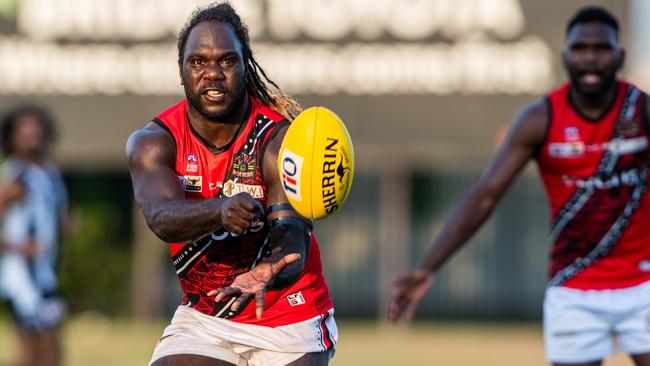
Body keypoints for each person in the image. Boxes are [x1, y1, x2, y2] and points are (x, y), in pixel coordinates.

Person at [388, 6, 650, 366]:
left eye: (601, 48)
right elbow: (486, 196)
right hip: (574, 289)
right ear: (565, 56)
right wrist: (429, 266)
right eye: (580, 47)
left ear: (619, 56)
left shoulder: (640, 111)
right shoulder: (541, 118)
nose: (590, 57)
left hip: (643, 285)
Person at [126, 3, 337, 366]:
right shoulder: (153, 142)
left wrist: (270, 270)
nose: (212, 74)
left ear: (244, 66)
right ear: (181, 72)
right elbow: (161, 217)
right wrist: (220, 210)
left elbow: (292, 237)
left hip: (287, 316)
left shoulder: (277, 140)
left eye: (226, 61)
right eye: (198, 62)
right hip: (207, 317)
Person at [0, 105, 68, 366]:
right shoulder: (16, 176)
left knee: (53, 349)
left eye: (35, 128)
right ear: (11, 137)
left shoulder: (49, 174)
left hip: (45, 275)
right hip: (23, 280)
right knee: (33, 348)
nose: (32, 134)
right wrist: (19, 247)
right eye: (24, 129)